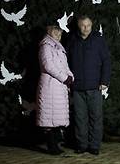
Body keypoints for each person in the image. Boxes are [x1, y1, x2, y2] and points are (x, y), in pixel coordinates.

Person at [66, 15, 111, 155]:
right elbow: (66, 62)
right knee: (80, 118)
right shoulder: (72, 41)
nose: (86, 28)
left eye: (88, 25)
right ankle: (81, 145)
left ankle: (94, 145)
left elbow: (106, 61)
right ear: (78, 26)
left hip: (94, 86)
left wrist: (104, 81)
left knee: (96, 118)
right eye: (83, 25)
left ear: (92, 26)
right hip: (78, 87)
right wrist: (68, 81)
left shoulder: (98, 40)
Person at [36, 25, 73, 155]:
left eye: (60, 33)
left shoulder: (59, 48)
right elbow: (48, 65)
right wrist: (64, 78)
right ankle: (52, 146)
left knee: (57, 118)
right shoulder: (46, 46)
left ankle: (56, 145)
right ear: (49, 32)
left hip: (59, 86)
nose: (58, 35)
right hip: (51, 86)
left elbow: (65, 65)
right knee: (50, 118)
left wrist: (70, 76)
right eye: (56, 32)